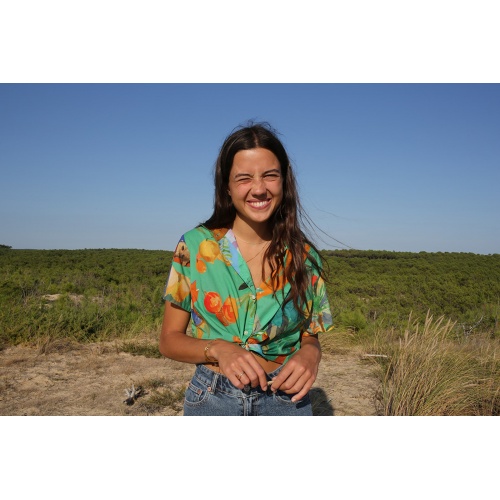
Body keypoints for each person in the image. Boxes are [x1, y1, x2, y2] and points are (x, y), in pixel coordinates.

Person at [159, 121, 333, 416]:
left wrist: (311, 353)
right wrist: (218, 349)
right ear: (226, 186)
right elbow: (168, 340)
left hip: (286, 398)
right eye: (244, 178)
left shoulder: (304, 256)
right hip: (213, 399)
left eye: (270, 175)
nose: (259, 189)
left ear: (284, 181)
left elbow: (309, 335)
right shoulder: (194, 246)